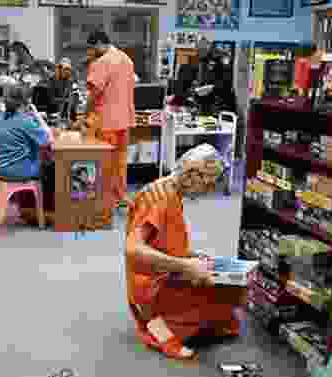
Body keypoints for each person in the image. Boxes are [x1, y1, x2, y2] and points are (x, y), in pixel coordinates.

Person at [125, 171, 245, 360]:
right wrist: (185, 265)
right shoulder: (160, 198)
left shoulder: (172, 191)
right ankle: (159, 329)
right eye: (207, 184)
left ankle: (184, 323)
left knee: (227, 283)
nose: (208, 190)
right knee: (221, 287)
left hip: (164, 271)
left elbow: (165, 245)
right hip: (149, 286)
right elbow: (133, 249)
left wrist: (194, 258)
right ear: (192, 175)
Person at [81, 30, 135, 226]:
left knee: (105, 162)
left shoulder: (101, 62)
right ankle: (121, 196)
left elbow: (94, 93)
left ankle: (106, 202)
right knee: (120, 161)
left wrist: (83, 115)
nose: (91, 53)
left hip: (107, 121)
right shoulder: (126, 59)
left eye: (91, 49)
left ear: (97, 45)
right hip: (125, 119)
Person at [0, 83, 52, 181]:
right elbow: (48, 139)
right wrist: (36, 115)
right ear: (26, 102)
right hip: (19, 172)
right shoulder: (25, 121)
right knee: (51, 166)